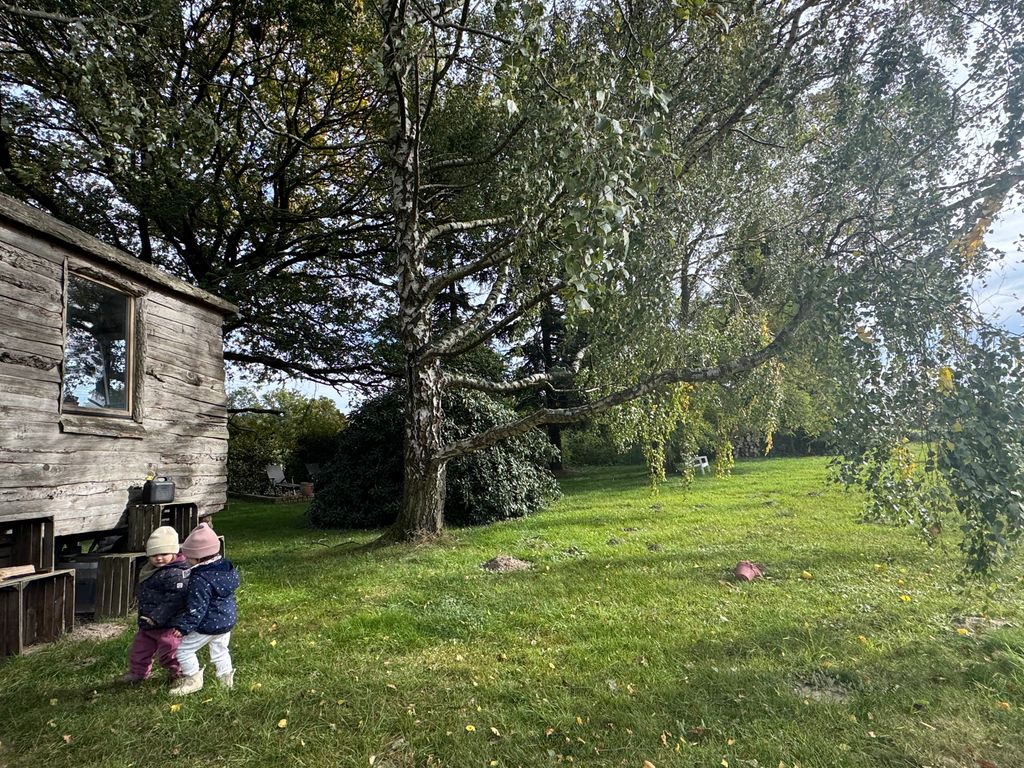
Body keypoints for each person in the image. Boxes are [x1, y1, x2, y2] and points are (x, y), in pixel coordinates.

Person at [169, 522, 240, 695]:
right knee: (220, 650)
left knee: (184, 650)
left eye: (189, 556)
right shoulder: (225, 568)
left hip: (209, 624)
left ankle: (193, 679)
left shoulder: (200, 579)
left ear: (199, 557)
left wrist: (183, 627)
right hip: (226, 621)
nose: (186, 559)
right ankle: (226, 679)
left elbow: (197, 608)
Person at [117, 525, 189, 683]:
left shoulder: (176, 574)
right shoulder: (149, 570)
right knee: (139, 651)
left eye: (164, 554)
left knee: (171, 652)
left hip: (169, 625)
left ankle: (180, 674)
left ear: (174, 552)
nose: (159, 558)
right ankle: (138, 673)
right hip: (148, 623)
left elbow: (175, 599)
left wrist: (156, 617)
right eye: (154, 555)